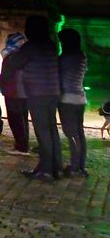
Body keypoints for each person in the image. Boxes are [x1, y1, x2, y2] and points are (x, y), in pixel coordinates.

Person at [18, 15, 62, 180]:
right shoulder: (50, 45)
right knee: (51, 130)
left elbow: (16, 62)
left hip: (37, 93)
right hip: (52, 92)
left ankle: (46, 169)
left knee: (43, 132)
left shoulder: (30, 47)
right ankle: (55, 166)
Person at [57, 28, 87, 177]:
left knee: (71, 133)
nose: (61, 44)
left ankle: (74, 168)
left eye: (62, 41)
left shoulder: (65, 58)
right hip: (80, 98)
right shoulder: (81, 56)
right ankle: (81, 166)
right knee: (79, 133)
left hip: (67, 98)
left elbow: (59, 76)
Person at [0, 32, 31, 156]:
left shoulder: (10, 57)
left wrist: (1, 85)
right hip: (25, 93)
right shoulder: (26, 56)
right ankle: (24, 144)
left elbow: (5, 76)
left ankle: (20, 146)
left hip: (13, 92)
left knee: (15, 120)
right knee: (23, 119)